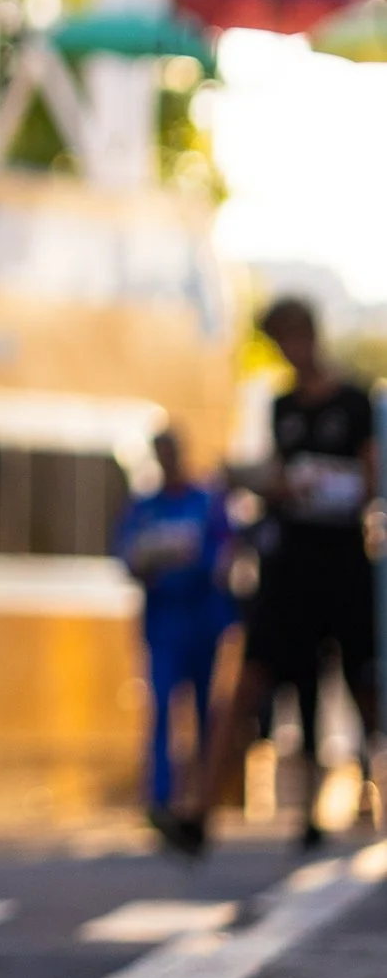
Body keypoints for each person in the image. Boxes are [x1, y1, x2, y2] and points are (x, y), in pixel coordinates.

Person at [197, 298, 377, 851]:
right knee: (270, 677)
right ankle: (203, 810)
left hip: (342, 558)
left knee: (359, 681)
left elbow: (369, 482)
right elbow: (275, 475)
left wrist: (324, 485)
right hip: (291, 563)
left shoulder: (355, 402)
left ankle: (362, 792)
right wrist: (267, 485)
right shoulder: (282, 406)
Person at [114, 424, 234, 850]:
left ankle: (202, 801)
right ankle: (160, 800)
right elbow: (126, 557)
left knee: (206, 712)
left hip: (203, 621)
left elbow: (224, 554)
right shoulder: (144, 507)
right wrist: (150, 557)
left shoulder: (206, 502)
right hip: (163, 623)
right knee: (162, 708)